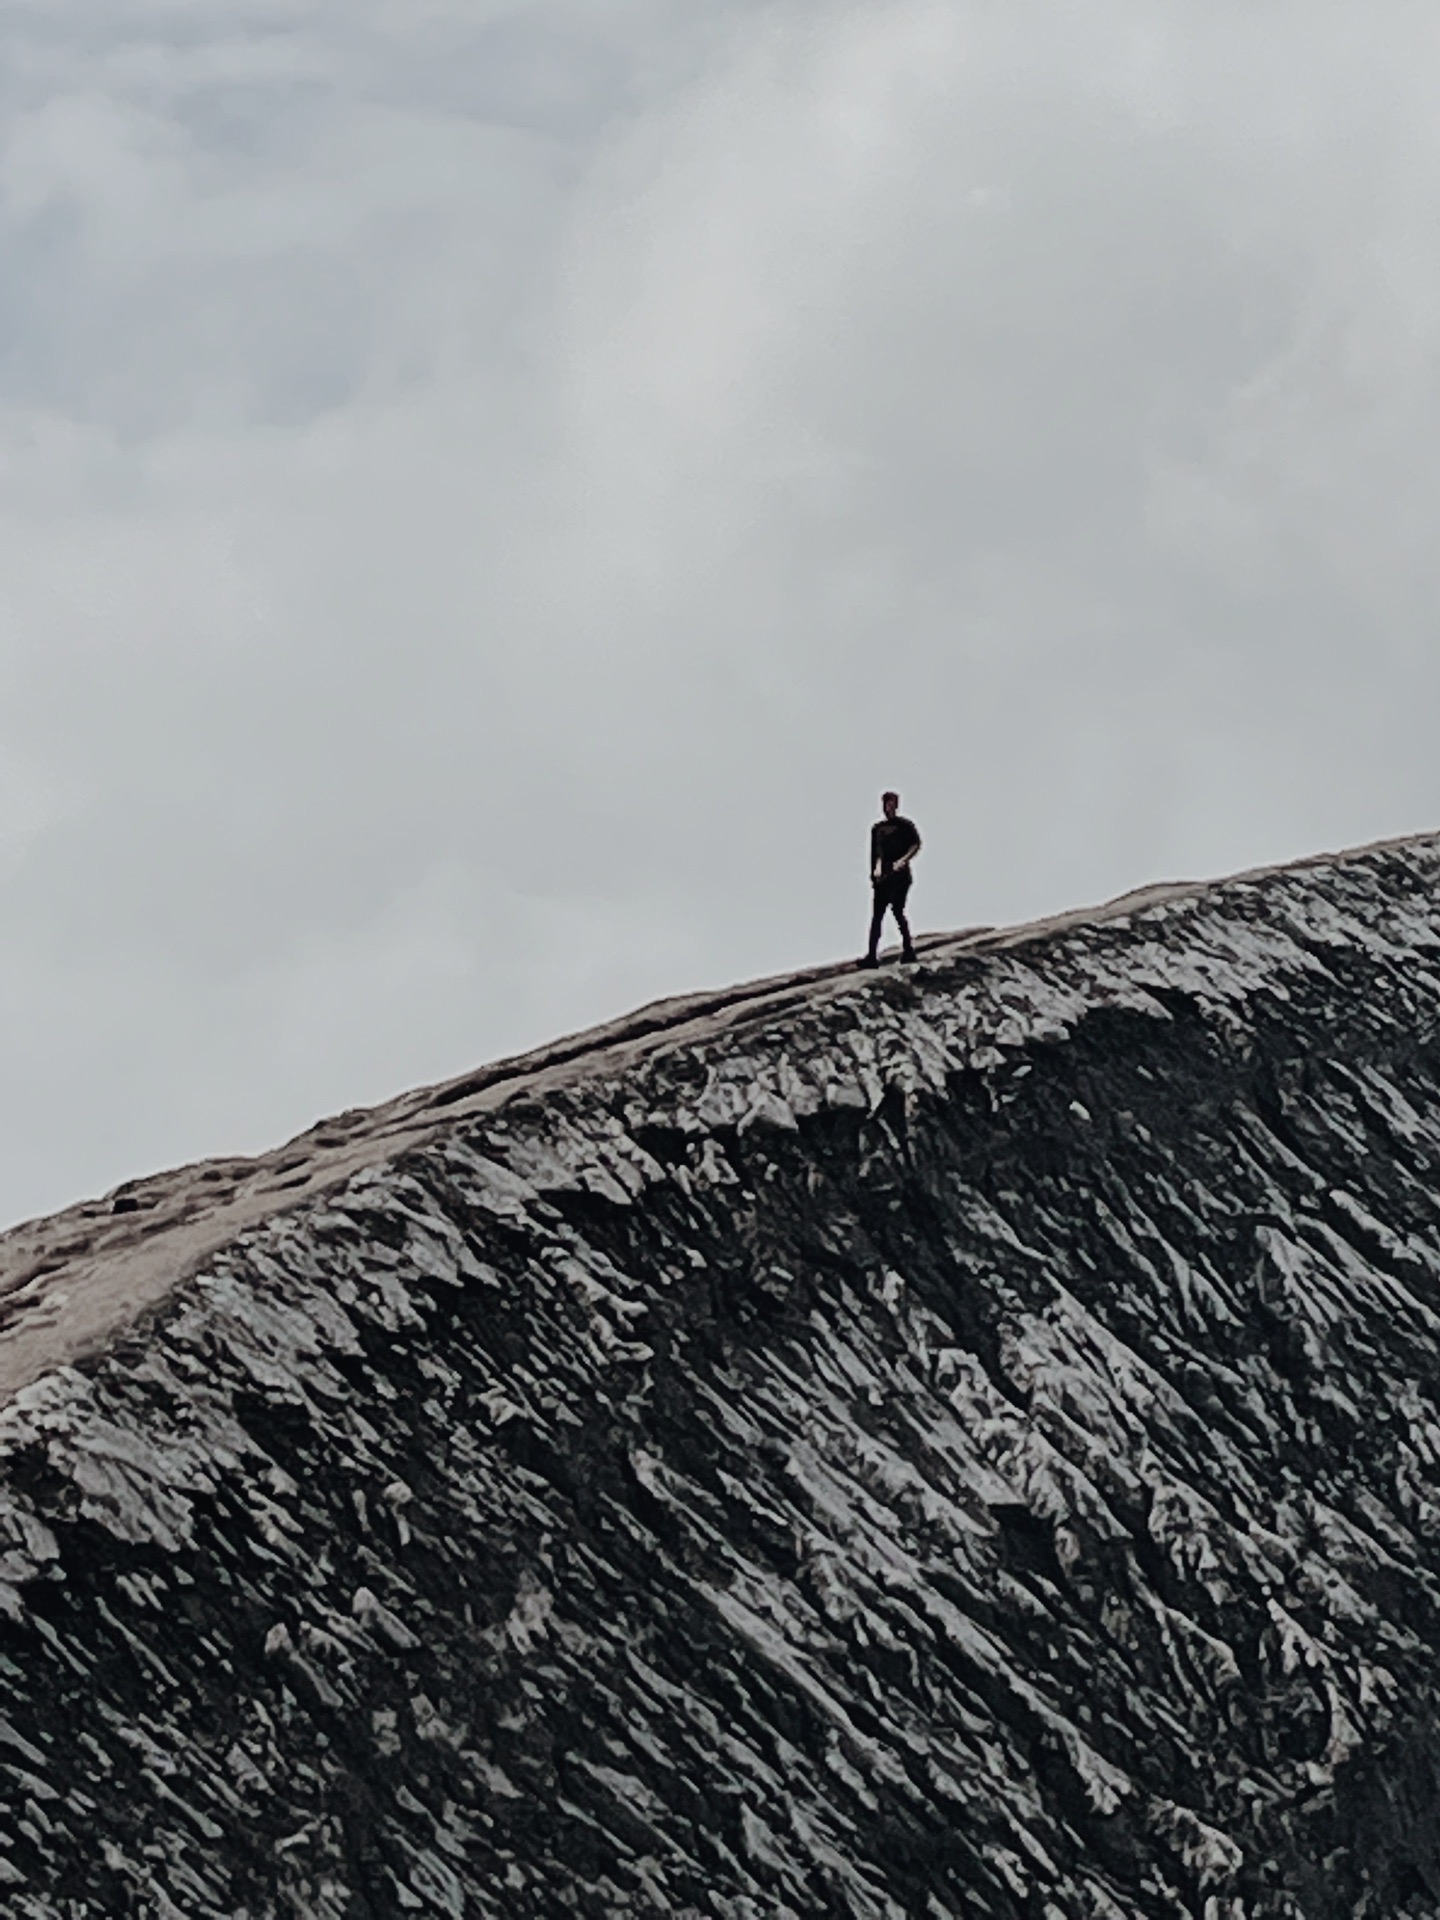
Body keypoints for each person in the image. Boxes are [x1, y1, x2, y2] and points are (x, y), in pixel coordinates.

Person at [860, 791, 921, 968]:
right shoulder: (878, 829)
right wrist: (876, 870)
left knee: (897, 911)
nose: (889, 808)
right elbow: (876, 852)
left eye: (892, 805)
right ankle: (872, 956)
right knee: (877, 916)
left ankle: (908, 950)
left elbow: (916, 844)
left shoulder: (905, 826)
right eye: (886, 805)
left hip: (900, 877)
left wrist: (903, 860)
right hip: (884, 878)